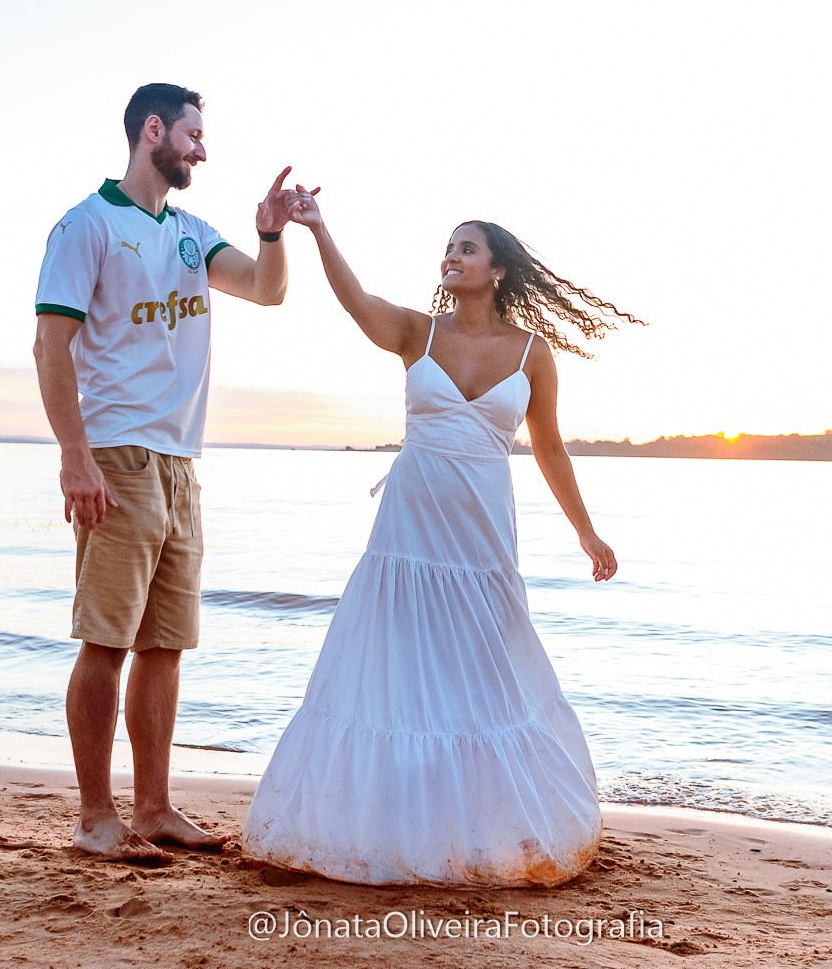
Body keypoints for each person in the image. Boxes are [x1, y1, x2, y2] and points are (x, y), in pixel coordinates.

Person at [242, 191, 643, 886]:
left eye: (466, 247)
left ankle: (484, 828)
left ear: (496, 269)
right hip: (408, 536)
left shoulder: (532, 353)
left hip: (481, 536)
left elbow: (548, 446)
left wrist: (587, 530)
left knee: (484, 673)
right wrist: (316, 229)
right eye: (448, 248)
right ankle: (389, 828)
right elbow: (354, 298)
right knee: (398, 676)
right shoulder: (415, 333)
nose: (451, 256)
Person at [32, 82, 295, 862]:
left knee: (164, 645)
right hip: (116, 453)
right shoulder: (86, 225)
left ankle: (152, 807)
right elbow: (51, 347)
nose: (202, 150)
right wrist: (75, 456)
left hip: (182, 463)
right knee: (106, 641)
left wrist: (270, 233)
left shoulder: (189, 230)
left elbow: (265, 289)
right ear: (154, 132)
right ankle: (94, 817)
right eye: (194, 135)